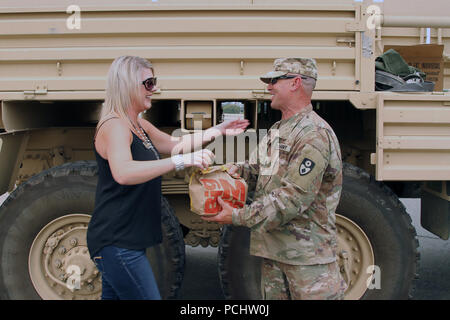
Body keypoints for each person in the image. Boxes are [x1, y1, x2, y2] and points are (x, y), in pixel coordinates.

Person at [87, 55, 249, 300]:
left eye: (154, 82)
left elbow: (175, 143)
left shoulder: (137, 124)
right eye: (149, 83)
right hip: (117, 243)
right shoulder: (115, 125)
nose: (155, 89)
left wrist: (218, 130)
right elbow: (123, 172)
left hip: (125, 241)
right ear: (127, 84)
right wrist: (180, 162)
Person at [203, 58, 348, 300]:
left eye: (274, 81)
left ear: (295, 83)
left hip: (308, 262)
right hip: (275, 253)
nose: (269, 87)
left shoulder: (313, 134)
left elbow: (292, 199)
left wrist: (237, 216)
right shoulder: (280, 129)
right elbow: (259, 169)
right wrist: (234, 171)